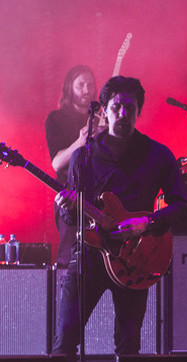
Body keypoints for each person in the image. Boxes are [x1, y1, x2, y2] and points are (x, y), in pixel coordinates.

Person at [53, 75, 187, 362]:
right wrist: (66, 207)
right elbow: (72, 218)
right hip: (89, 257)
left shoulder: (158, 155)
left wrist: (146, 224)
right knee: (64, 341)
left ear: (139, 111)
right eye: (116, 107)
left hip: (135, 258)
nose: (123, 113)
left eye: (130, 107)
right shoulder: (83, 156)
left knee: (128, 346)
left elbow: (182, 207)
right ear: (104, 110)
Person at [45, 65, 101, 266]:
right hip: (69, 195)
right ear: (70, 87)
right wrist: (80, 142)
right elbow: (57, 163)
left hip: (99, 195)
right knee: (70, 256)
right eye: (81, 85)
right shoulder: (56, 118)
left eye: (90, 84)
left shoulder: (101, 118)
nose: (87, 90)